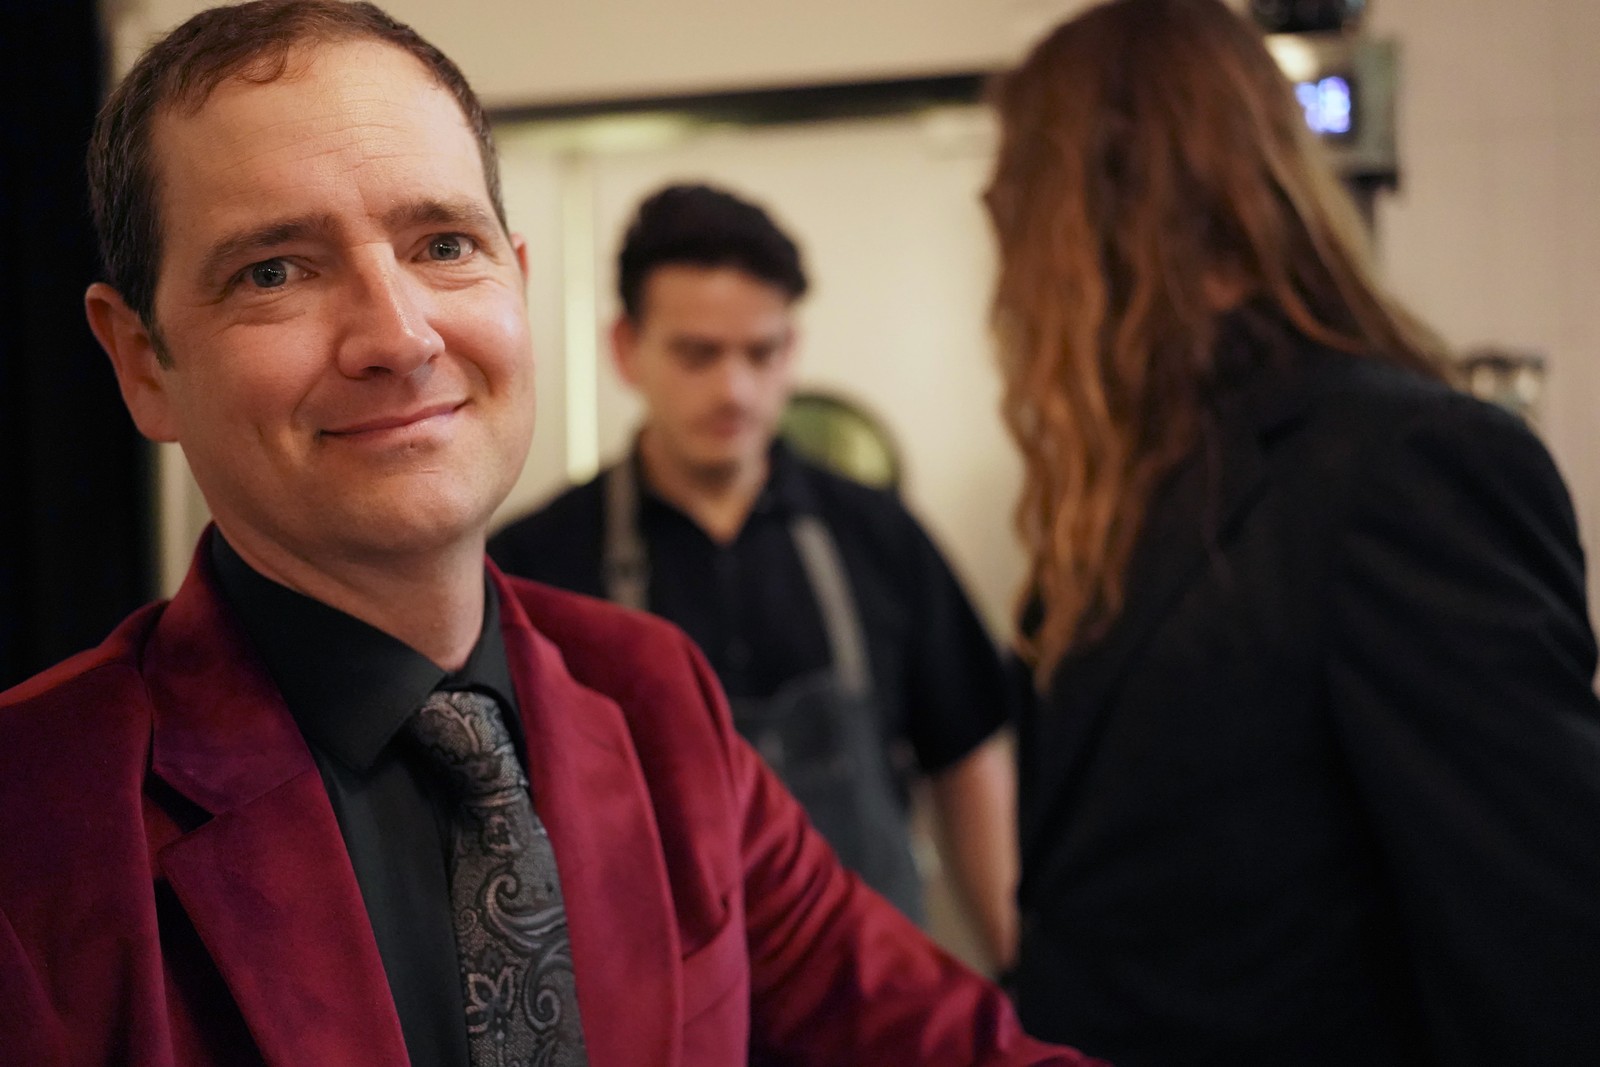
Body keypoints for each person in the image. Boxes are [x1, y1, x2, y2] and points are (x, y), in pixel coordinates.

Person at [0, 4, 1106, 1065]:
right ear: (143, 362)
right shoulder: (40, 815)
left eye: (443, 244)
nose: (400, 334)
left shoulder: (655, 700)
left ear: (518, 287)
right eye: (274, 270)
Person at [982, 0, 1600, 1064]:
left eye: (1013, 205)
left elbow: (1539, 945)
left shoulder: (1400, 465)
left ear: (1083, 211)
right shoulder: (1130, 488)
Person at [489, 183, 1020, 969]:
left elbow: (967, 755)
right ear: (626, 349)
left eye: (760, 352)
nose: (733, 389)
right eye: (697, 354)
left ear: (791, 351)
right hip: (660, 1000)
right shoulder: (537, 563)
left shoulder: (878, 535)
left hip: (872, 997)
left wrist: (1013, 962)